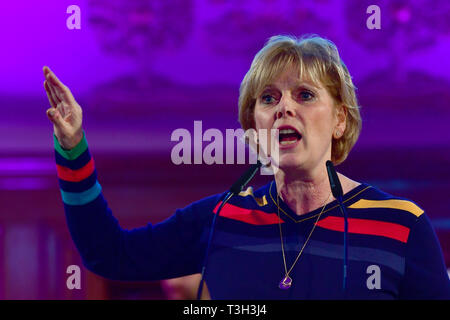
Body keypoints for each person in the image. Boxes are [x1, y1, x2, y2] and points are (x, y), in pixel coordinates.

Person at [42, 34, 450, 299]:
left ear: (340, 120)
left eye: (305, 95)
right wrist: (73, 147)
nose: (285, 107)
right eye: (269, 98)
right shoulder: (221, 218)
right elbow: (108, 255)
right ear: (254, 127)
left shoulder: (402, 227)